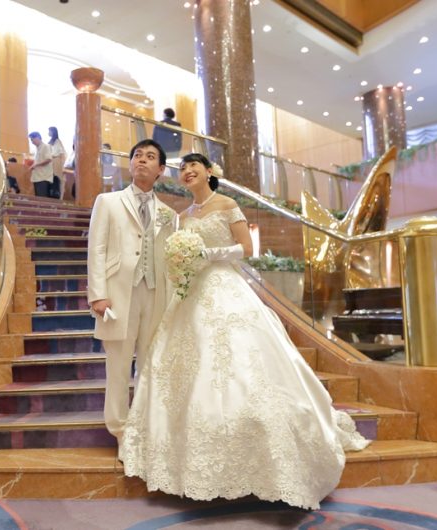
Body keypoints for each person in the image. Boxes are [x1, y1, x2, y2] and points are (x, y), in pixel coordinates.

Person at [120, 153, 370, 510]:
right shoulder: (182, 216)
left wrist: (209, 254)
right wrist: (183, 262)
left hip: (224, 285)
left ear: (209, 172)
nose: (187, 171)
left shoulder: (227, 204)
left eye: (194, 166)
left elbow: (246, 249)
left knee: (239, 360)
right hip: (190, 294)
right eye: (183, 168)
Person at [87, 139, 177, 448]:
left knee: (150, 364)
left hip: (155, 293)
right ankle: (121, 431)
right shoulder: (108, 201)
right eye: (138, 155)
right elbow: (96, 249)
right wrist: (98, 293)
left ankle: (144, 425)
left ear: (160, 169)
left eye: (150, 157)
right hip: (118, 293)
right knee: (119, 365)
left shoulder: (168, 214)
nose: (142, 160)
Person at [27, 132, 53, 197]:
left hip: (43, 178)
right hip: (37, 177)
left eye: (32, 139)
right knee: (38, 198)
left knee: (42, 198)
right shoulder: (37, 149)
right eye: (31, 140)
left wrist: (36, 165)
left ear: (38, 137)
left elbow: (48, 159)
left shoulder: (46, 146)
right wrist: (33, 166)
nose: (32, 142)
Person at [48, 126, 67, 199]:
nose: (48, 133)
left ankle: (60, 197)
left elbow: (61, 154)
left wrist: (62, 165)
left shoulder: (58, 142)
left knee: (59, 179)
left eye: (49, 131)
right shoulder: (50, 142)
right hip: (51, 162)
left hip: (57, 161)